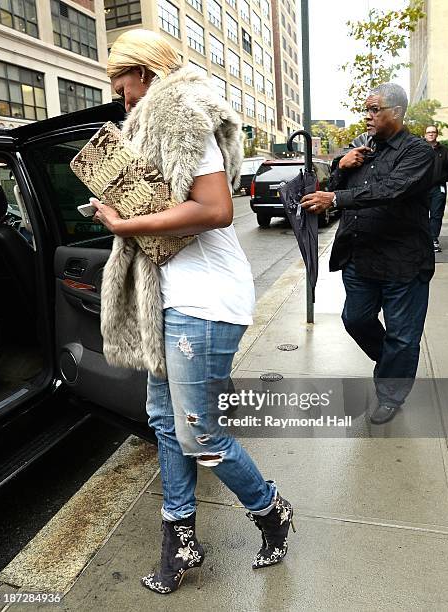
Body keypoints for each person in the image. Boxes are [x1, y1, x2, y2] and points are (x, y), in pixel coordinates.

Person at [91, 29, 294, 595]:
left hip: (204, 299)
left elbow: (215, 208)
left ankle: (271, 510)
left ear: (147, 73)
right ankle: (179, 539)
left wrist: (125, 224)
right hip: (172, 297)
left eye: (123, 84)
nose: (121, 96)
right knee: (165, 424)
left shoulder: (180, 111)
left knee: (200, 434)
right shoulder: (154, 122)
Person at [301, 83, 434, 425]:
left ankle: (390, 393)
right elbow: (330, 191)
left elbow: (392, 190)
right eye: (367, 110)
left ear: (397, 113)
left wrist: (336, 199)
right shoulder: (359, 148)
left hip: (403, 262)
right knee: (354, 320)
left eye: (376, 110)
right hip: (361, 258)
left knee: (403, 336)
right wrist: (341, 167)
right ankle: (393, 368)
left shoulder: (417, 152)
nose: (368, 116)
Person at [424, 125, 448, 253]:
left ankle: (433, 240)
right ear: (425, 135)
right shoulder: (419, 149)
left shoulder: (445, 151)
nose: (431, 134)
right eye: (428, 132)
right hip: (421, 188)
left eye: (433, 132)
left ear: (437, 134)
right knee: (420, 214)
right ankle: (421, 240)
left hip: (439, 188)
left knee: (436, 215)